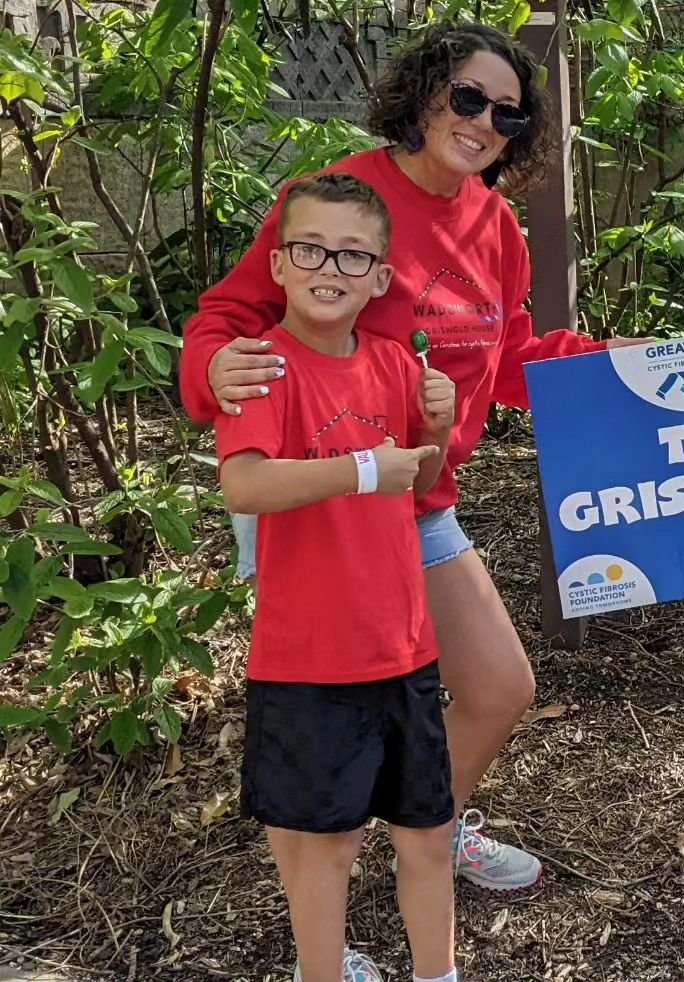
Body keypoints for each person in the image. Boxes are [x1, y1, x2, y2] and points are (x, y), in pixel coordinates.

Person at [181, 22, 642, 894]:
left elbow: (504, 360)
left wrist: (614, 368)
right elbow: (229, 314)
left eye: (506, 114)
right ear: (426, 93)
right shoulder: (343, 197)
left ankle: (426, 837)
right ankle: (323, 938)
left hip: (418, 497)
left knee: (499, 687)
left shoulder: (496, 223)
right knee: (337, 725)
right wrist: (210, 366)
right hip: (317, 504)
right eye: (466, 97)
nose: (481, 122)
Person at [215, 173, 458, 982]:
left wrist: (439, 423)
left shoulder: (392, 361)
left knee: (427, 833)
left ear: (381, 278)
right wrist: (360, 468)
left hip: (404, 649)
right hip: (308, 660)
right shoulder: (259, 365)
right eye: (311, 248)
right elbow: (245, 485)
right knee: (330, 848)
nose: (332, 268)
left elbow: (416, 484)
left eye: (355, 255)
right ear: (279, 264)